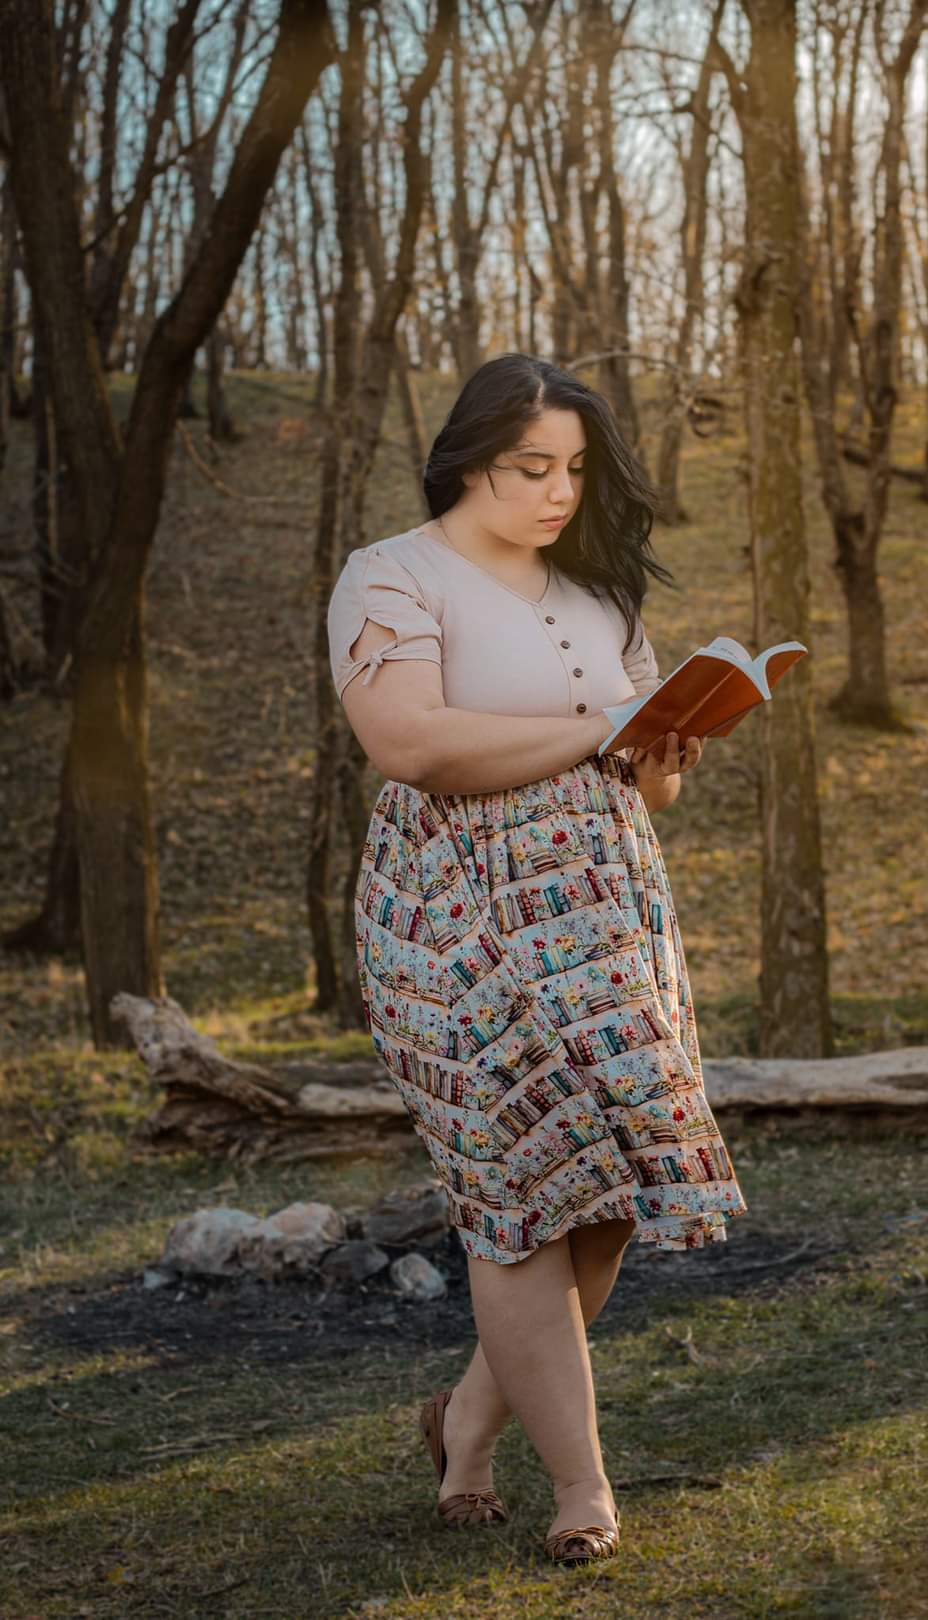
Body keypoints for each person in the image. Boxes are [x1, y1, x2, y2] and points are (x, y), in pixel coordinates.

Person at [327, 352, 748, 1566]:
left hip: (606, 916)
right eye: (532, 468)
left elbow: (640, 781)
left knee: (608, 1200)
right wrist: (601, 729)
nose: (558, 492)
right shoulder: (390, 576)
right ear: (471, 457)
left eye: (574, 469)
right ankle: (583, 1490)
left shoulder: (599, 593)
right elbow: (412, 742)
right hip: (453, 915)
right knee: (515, 1204)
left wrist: (666, 744)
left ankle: (464, 1421)